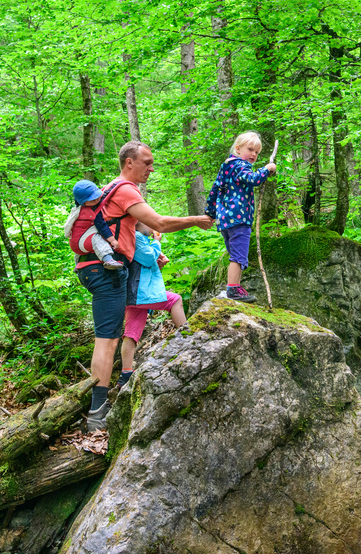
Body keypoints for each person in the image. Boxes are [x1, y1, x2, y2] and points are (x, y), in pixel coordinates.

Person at [76, 141, 213, 432]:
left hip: (99, 268)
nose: (151, 168)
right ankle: (97, 413)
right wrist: (196, 220)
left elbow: (133, 232)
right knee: (107, 339)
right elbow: (159, 223)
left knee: (114, 333)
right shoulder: (125, 188)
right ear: (129, 163)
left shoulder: (112, 187)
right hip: (103, 270)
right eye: (147, 162)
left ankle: (105, 400)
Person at [204, 131, 276, 303]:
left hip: (225, 220)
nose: (253, 154)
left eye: (257, 152)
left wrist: (210, 213)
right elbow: (252, 179)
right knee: (238, 256)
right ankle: (233, 289)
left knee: (235, 253)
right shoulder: (240, 166)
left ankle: (234, 286)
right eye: (250, 149)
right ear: (238, 148)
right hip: (239, 219)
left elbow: (215, 190)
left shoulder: (226, 166)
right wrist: (267, 169)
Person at [116, 222, 187, 388]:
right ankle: (188, 337)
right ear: (138, 224)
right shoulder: (137, 237)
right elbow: (147, 258)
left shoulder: (131, 238)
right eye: (149, 223)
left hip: (133, 295)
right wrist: (156, 241)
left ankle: (126, 373)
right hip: (141, 294)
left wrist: (159, 261)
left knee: (131, 333)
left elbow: (144, 266)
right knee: (175, 300)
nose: (153, 226)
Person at [64, 180, 124, 269]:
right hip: (83, 243)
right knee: (96, 238)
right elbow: (101, 226)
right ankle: (108, 259)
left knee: (89, 238)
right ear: (83, 202)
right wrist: (112, 240)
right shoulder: (92, 211)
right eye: (92, 200)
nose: (96, 200)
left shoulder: (78, 210)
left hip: (74, 243)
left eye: (97, 196)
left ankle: (78, 265)